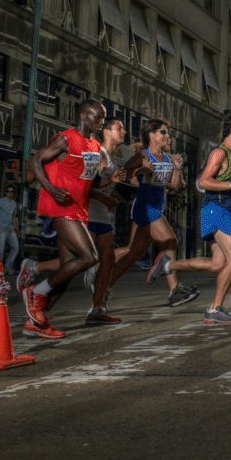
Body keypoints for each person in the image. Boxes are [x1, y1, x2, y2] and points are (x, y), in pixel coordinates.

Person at [147, 110, 231, 324]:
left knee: (217, 264)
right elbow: (203, 182)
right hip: (215, 210)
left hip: (226, 210)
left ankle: (168, 265)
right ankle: (214, 309)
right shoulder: (219, 153)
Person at [22, 100, 107, 339]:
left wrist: (110, 184)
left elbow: (87, 180)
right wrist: (51, 189)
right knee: (89, 257)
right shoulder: (65, 139)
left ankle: (37, 320)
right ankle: (36, 292)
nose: (101, 122)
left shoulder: (95, 145)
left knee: (67, 268)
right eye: (97, 117)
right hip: (60, 207)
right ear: (83, 116)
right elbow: (34, 161)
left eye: (103, 118)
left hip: (79, 209)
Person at [105, 118, 197, 307]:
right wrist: (142, 169)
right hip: (145, 208)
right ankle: (174, 291)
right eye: (162, 132)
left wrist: (178, 168)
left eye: (167, 132)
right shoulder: (143, 156)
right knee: (170, 242)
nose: (166, 136)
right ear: (151, 135)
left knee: (133, 254)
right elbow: (122, 174)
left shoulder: (168, 158)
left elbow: (175, 185)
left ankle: (103, 288)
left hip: (157, 208)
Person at [82, 116, 128, 325]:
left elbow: (102, 187)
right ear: (106, 132)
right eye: (120, 128)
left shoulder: (113, 158)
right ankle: (35, 269)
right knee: (80, 260)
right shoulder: (99, 154)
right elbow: (86, 187)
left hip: (103, 216)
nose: (124, 132)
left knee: (107, 260)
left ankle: (96, 308)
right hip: (89, 213)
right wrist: (106, 194)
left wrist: (112, 196)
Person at [0, 185, 21, 275]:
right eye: (8, 191)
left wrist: (15, 227)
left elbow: (13, 216)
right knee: (0, 251)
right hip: (1, 229)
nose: (9, 193)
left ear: (13, 193)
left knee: (15, 247)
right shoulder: (0, 201)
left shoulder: (14, 203)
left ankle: (7, 268)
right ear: (5, 192)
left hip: (10, 229)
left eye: (11, 191)